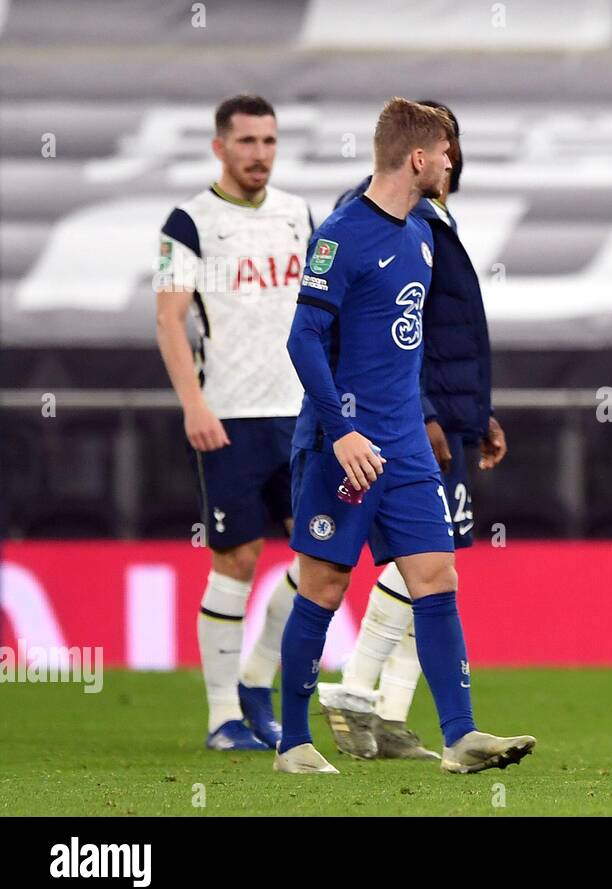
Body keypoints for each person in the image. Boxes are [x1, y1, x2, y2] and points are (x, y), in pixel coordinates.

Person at [276, 97, 533, 774]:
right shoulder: (341, 232)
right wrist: (341, 431)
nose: (453, 160)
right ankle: (292, 742)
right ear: (417, 157)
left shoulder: (422, 229)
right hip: (345, 445)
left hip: (408, 447)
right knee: (325, 586)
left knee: (436, 574)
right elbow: (302, 338)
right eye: (446, 150)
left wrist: (461, 415)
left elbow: (413, 344)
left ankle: (460, 736)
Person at [155, 93, 311, 751]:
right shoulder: (188, 220)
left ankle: (256, 677)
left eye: (269, 141)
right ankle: (223, 716)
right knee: (237, 558)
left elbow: (320, 309)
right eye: (247, 142)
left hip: (300, 414)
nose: (259, 155)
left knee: (320, 556)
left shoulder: (300, 214)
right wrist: (194, 403)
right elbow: (169, 317)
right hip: (231, 415)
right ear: (220, 147)